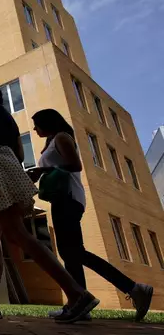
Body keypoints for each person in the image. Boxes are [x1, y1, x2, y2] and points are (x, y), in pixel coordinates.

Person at [0, 83, 99, 324]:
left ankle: (77, 294)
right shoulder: (9, 120)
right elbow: (20, 156)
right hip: (1, 166)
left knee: (16, 234)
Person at [28, 109, 154, 322]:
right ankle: (78, 304)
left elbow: (76, 165)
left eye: (37, 124)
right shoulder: (53, 140)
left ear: (48, 123)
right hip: (62, 200)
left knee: (75, 252)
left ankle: (133, 288)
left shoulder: (61, 137)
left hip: (68, 198)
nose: (34, 128)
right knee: (71, 254)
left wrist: (42, 171)